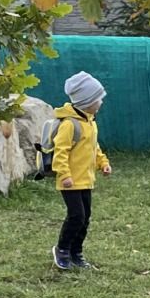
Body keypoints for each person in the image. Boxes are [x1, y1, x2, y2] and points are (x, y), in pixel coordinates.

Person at [50, 70, 112, 272]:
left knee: (85, 218)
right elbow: (60, 151)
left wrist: (103, 163)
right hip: (70, 182)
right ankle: (62, 249)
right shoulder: (70, 124)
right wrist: (65, 175)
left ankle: (76, 252)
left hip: (86, 180)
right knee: (76, 216)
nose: (101, 102)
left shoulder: (90, 123)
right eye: (98, 99)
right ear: (87, 102)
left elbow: (94, 147)